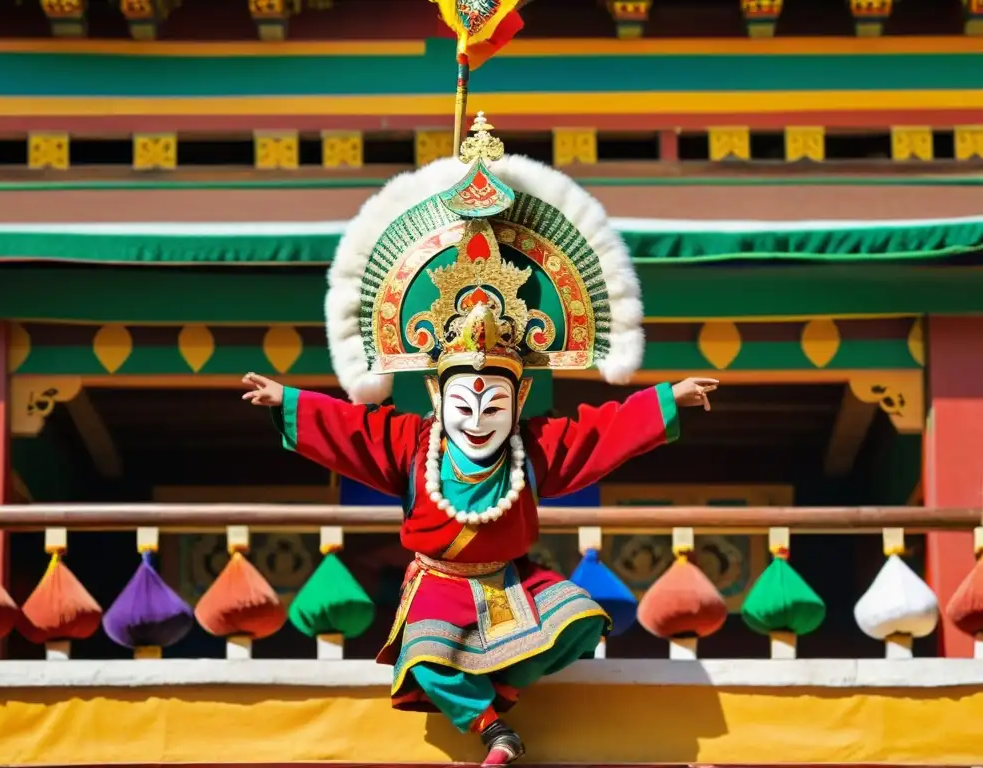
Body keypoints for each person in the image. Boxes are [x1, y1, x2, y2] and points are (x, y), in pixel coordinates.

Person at [242, 113, 717, 766]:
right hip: (438, 584)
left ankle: (501, 684)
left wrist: (667, 399)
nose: (477, 415)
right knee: (424, 659)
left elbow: (602, 430)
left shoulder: (532, 447)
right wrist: (288, 401)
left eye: (493, 400)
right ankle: (492, 726)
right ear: (437, 396)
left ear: (518, 398)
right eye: (464, 400)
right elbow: (350, 429)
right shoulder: (412, 445)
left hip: (508, 585)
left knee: (581, 622)